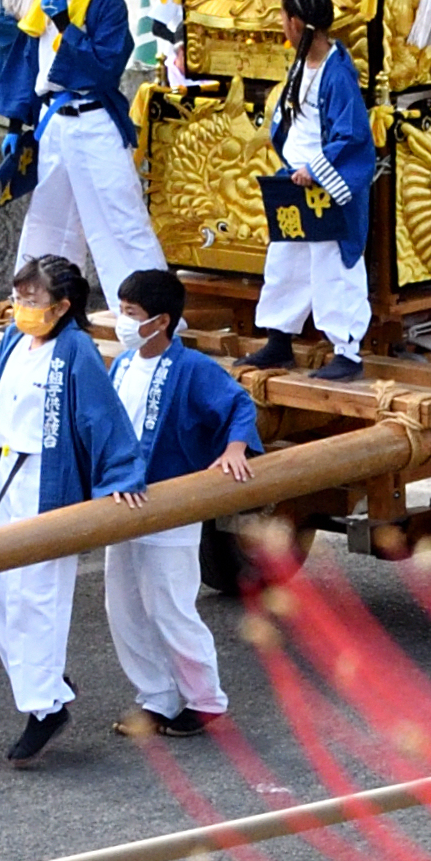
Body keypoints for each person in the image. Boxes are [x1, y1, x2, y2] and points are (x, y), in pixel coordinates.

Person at [0, 254, 148, 768]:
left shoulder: (76, 350)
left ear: (63, 306)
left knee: (37, 596)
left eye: (32, 299)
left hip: (49, 477)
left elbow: (100, 415)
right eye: (18, 296)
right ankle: (43, 682)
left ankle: (44, 706)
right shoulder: (13, 340)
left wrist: (121, 474)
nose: (21, 307)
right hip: (6, 469)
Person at [105, 268, 257, 738]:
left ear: (162, 320)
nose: (122, 322)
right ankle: (156, 697)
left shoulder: (191, 367)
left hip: (169, 504)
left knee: (170, 605)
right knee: (123, 605)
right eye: (122, 311)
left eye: (131, 314)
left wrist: (235, 449)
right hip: (120, 502)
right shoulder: (123, 363)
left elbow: (238, 405)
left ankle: (206, 701)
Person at [2, 0, 166, 306]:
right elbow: (28, 60)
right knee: (47, 219)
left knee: (120, 217)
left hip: (93, 119)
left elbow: (106, 67)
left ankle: (151, 310)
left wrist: (66, 27)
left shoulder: (108, 4)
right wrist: (14, 123)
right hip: (53, 122)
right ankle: (37, 304)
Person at [242, 0, 379, 383]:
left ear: (297, 23)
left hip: (326, 183)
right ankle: (279, 339)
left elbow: (351, 135)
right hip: (296, 180)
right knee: (286, 259)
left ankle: (348, 351)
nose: (282, 26)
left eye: (284, 19)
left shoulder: (337, 75)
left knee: (333, 264)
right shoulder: (303, 62)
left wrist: (315, 168)